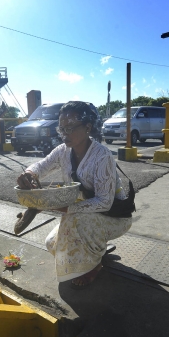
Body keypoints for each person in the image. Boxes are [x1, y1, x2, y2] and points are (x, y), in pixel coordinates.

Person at [16, 101, 133, 289]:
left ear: (88, 127)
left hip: (115, 217)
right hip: (83, 215)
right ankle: (97, 249)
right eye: (61, 128)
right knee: (51, 243)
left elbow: (104, 202)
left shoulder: (102, 156)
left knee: (73, 219)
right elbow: (41, 165)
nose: (64, 134)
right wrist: (30, 173)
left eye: (70, 128)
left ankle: (94, 265)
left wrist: (63, 208)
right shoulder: (62, 151)